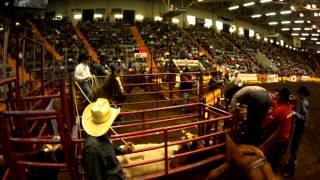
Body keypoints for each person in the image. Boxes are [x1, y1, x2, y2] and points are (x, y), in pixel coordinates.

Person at [82, 98, 133, 180]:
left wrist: (122, 150)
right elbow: (95, 177)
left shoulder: (101, 134)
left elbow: (109, 147)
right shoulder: (92, 148)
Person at [262, 88, 294, 173]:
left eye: (278, 96)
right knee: (277, 157)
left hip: (279, 139)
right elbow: (277, 105)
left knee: (272, 158)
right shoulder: (289, 107)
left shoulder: (280, 111)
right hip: (286, 137)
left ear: (282, 97)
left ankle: (271, 173)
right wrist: (271, 98)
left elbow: (266, 123)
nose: (277, 97)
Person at [283, 85, 310, 177]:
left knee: (294, 149)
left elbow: (304, 117)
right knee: (293, 147)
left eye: (299, 93)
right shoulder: (304, 102)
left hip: (300, 129)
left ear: (302, 93)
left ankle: (292, 172)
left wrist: (295, 114)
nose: (298, 95)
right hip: (300, 128)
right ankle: (290, 164)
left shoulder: (304, 103)